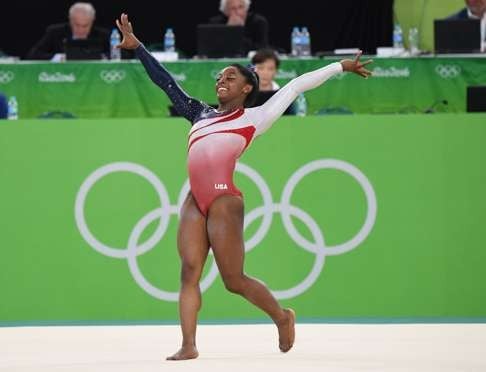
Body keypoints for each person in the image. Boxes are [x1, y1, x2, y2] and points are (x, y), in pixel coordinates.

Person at [115, 13, 372, 361]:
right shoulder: (197, 113)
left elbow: (296, 86)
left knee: (232, 280)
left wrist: (338, 67)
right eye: (220, 76)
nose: (222, 80)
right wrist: (138, 48)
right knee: (189, 272)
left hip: (224, 200)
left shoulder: (255, 118)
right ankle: (189, 345)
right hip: (196, 200)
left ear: (247, 88)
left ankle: (282, 317)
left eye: (230, 77)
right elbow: (166, 82)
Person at [27, 2, 110, 60]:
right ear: (70, 20)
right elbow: (33, 54)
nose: (81, 30)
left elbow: (119, 55)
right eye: (77, 25)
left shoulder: (102, 35)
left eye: (85, 26)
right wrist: (59, 58)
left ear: (92, 20)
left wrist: (99, 57)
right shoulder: (55, 32)